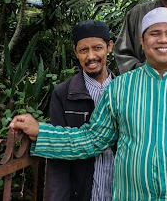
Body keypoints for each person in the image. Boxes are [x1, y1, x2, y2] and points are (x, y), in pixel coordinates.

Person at [10, 7, 167, 201]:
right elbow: (93, 138)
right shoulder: (120, 88)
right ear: (142, 40)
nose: (163, 40)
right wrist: (41, 131)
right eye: (154, 33)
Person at [45, 20, 115, 201]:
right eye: (84, 50)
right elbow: (58, 154)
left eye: (97, 48)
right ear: (76, 52)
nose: (91, 56)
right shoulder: (63, 94)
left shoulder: (125, 90)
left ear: (109, 47)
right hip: (82, 193)